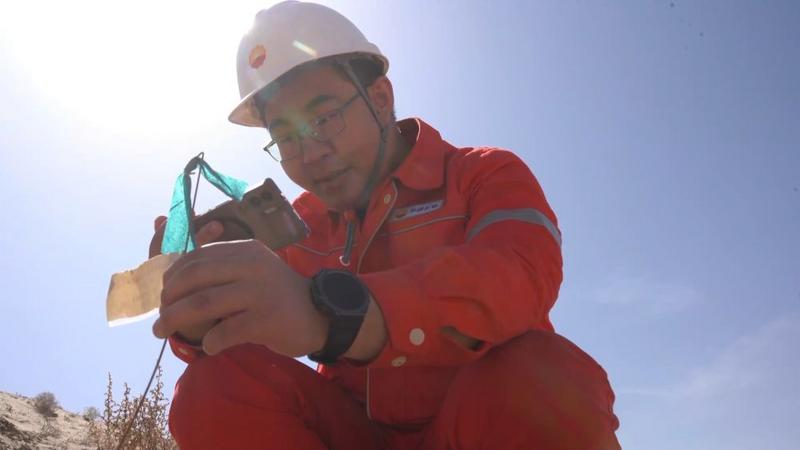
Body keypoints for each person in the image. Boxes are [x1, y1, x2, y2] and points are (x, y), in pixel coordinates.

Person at [150, 1, 621, 449]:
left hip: (479, 427)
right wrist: (200, 309)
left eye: (324, 118)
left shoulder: (484, 174)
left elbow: (519, 274)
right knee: (215, 386)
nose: (310, 153)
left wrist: (334, 314)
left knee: (546, 377)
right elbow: (231, 344)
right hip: (354, 433)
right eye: (287, 138)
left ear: (379, 98)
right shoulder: (300, 225)